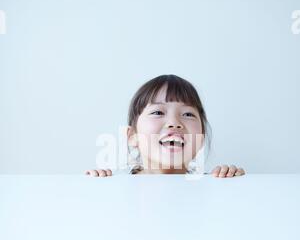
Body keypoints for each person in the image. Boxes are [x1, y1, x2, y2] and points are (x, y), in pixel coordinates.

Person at [85, 74, 246, 178]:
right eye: (158, 112)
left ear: (201, 138)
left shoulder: (210, 184)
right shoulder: (116, 184)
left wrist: (231, 181)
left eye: (188, 114)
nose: (174, 123)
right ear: (132, 136)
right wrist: (96, 183)